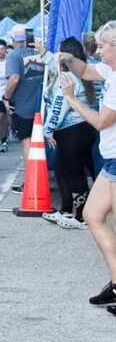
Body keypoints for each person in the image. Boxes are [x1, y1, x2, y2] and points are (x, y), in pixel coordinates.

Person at [58, 21, 116, 310]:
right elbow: (86, 70)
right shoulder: (110, 71)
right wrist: (68, 59)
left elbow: (99, 121)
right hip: (111, 162)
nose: (98, 50)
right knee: (92, 214)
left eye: (103, 46)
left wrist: (70, 98)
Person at [42, 37, 96, 229]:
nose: (56, 56)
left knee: (73, 173)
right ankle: (66, 210)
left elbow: (60, 106)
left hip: (72, 131)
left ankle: (80, 217)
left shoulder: (68, 77)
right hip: (79, 130)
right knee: (63, 169)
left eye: (59, 52)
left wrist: (47, 129)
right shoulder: (77, 73)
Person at [2, 24, 56, 193]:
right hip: (41, 105)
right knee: (41, 142)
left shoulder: (13, 56)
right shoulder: (39, 52)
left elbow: (15, 78)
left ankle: (31, 182)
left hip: (23, 107)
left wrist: (6, 97)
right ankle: (46, 178)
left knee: (27, 143)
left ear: (13, 39)